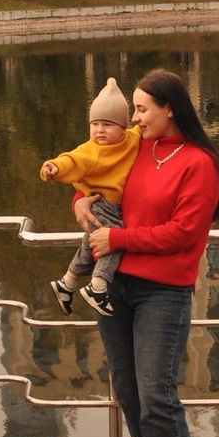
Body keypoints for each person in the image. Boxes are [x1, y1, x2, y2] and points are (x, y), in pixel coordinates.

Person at [76, 67, 219, 437]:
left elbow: (184, 234)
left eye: (142, 110)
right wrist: (80, 201)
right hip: (115, 287)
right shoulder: (137, 148)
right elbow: (94, 173)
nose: (134, 119)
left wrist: (119, 238)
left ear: (169, 109)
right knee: (128, 389)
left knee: (157, 397)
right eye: (134, 109)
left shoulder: (200, 162)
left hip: (164, 290)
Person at [40, 77, 140, 317]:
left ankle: (67, 282)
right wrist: (53, 167)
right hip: (102, 203)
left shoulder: (133, 140)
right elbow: (72, 159)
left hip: (110, 206)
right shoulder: (92, 149)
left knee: (90, 242)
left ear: (122, 127)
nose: (99, 131)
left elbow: (142, 127)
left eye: (107, 124)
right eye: (94, 124)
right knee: (111, 241)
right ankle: (98, 286)